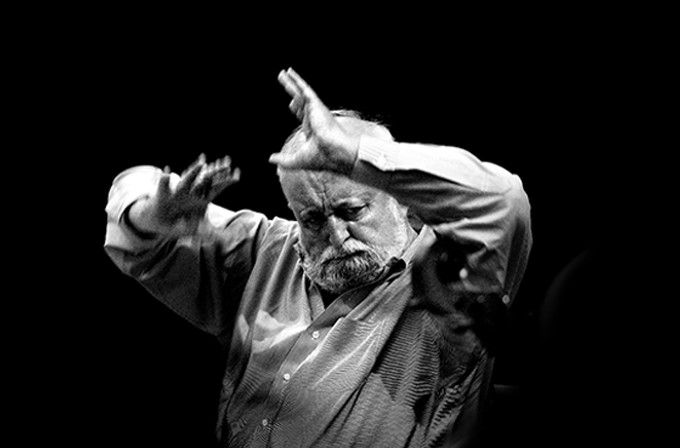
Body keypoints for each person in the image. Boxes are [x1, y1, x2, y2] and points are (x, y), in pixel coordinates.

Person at [104, 67, 532, 448]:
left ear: (401, 199)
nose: (336, 235)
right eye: (311, 218)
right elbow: (136, 213)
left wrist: (354, 156)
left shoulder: (448, 281)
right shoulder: (266, 251)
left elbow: (505, 201)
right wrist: (153, 216)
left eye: (352, 211)